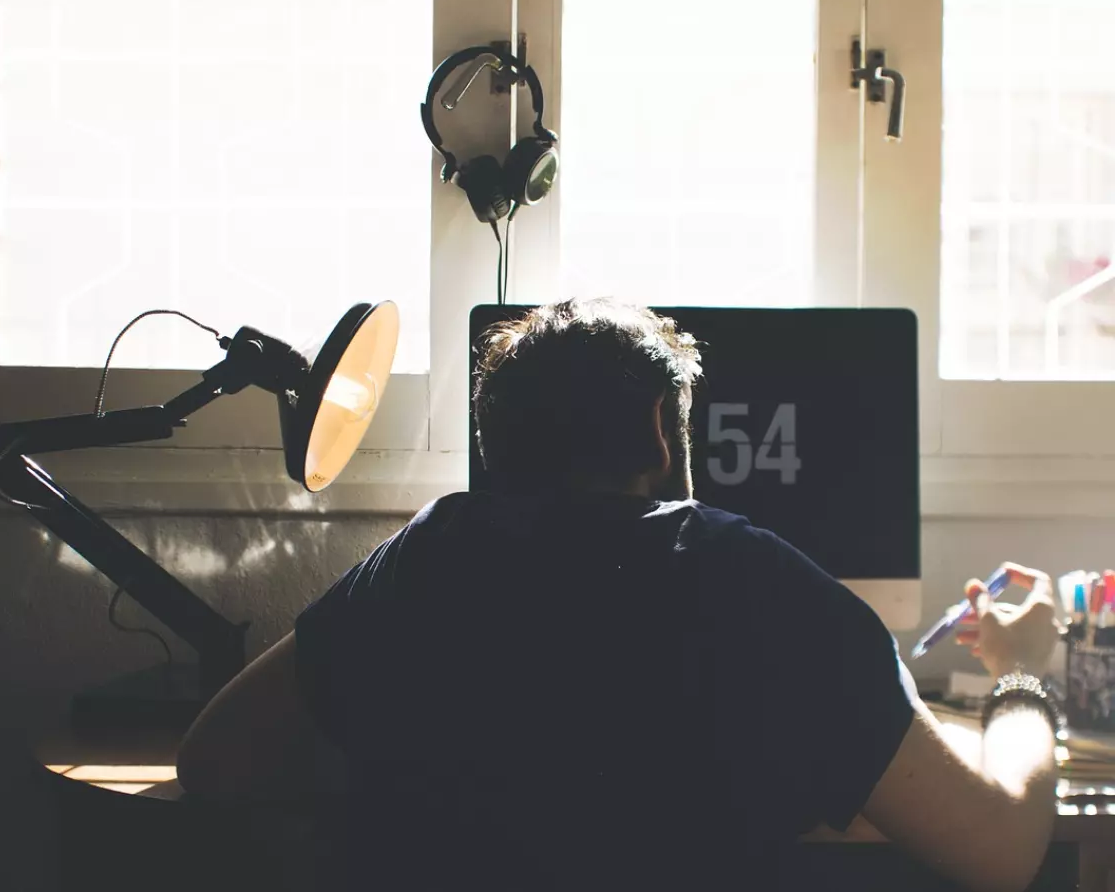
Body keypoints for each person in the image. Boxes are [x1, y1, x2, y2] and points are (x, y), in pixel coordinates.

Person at [177, 298, 1061, 892]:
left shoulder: (425, 560)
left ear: (498, 443)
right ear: (658, 432)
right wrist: (1021, 679)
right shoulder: (755, 578)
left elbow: (213, 764)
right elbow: (1002, 853)